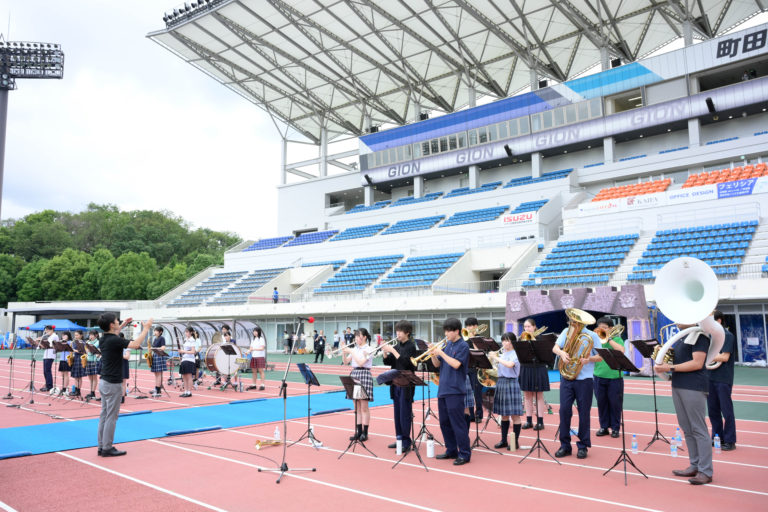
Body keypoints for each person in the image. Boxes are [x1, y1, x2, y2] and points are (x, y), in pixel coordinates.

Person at [655, 321, 714, 485]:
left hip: (693, 386)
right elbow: (683, 358)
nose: (676, 321)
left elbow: (697, 363)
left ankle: (705, 471)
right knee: (687, 428)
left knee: (698, 429)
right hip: (678, 385)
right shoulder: (683, 337)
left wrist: (669, 368)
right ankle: (695, 465)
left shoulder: (700, 336)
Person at [97, 313, 153, 457]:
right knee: (111, 417)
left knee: (104, 415)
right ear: (111, 325)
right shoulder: (114, 340)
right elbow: (135, 344)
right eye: (117, 321)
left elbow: (113, 334)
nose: (118, 322)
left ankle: (101, 446)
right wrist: (146, 329)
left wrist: (122, 325)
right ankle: (107, 448)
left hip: (104, 381)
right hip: (113, 383)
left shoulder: (103, 339)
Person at [552, 309, 602, 459]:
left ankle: (583, 446)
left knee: (584, 413)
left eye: (575, 321)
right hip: (567, 378)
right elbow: (555, 348)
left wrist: (589, 359)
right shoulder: (566, 331)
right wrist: (562, 353)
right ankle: (565, 445)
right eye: (572, 320)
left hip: (584, 380)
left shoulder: (592, 335)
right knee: (564, 411)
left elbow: (600, 357)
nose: (573, 323)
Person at [430, 317, 471, 465]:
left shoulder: (463, 346)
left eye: (448, 331)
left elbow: (456, 364)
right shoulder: (447, 345)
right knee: (444, 423)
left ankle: (464, 453)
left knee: (457, 423)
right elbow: (437, 365)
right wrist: (433, 354)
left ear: (457, 331)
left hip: (455, 390)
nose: (446, 334)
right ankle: (451, 450)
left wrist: (441, 353)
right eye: (445, 331)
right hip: (443, 389)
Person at [381, 319, 418, 453]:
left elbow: (407, 363)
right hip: (395, 382)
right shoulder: (396, 346)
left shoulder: (411, 346)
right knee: (397, 413)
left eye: (400, 331)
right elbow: (388, 362)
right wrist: (385, 352)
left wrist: (393, 350)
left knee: (405, 413)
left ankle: (406, 442)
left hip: (406, 384)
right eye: (397, 331)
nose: (398, 334)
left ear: (407, 332)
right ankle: (399, 439)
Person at [488, 332, 524, 449]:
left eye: (507, 340)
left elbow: (509, 364)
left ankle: (515, 442)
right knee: (504, 415)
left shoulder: (516, 353)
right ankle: (503, 440)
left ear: (512, 342)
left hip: (511, 383)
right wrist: (491, 359)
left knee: (515, 415)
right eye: (503, 340)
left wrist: (496, 357)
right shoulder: (503, 353)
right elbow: (495, 367)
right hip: (501, 382)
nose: (504, 343)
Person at [708, 310, 736, 451]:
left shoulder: (727, 335)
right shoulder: (709, 336)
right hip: (710, 377)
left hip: (723, 378)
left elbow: (724, 357)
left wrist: (706, 356)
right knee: (713, 411)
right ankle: (717, 437)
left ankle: (730, 440)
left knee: (726, 410)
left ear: (719, 321)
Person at [593, 316, 625, 438]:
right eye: (599, 328)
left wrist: (608, 338)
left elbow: (621, 350)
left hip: (614, 376)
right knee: (601, 403)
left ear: (611, 328)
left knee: (615, 403)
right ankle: (604, 426)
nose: (601, 330)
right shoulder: (596, 340)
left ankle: (615, 428)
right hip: (598, 375)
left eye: (604, 328)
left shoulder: (617, 339)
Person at [342, 328, 374, 441]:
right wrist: (344, 352)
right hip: (354, 374)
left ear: (364, 337)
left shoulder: (369, 349)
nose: (356, 339)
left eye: (358, 336)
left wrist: (351, 352)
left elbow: (361, 362)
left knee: (364, 406)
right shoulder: (355, 348)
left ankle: (365, 432)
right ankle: (358, 431)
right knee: (356, 406)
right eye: (355, 336)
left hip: (364, 374)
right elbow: (346, 362)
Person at [519, 317, 550, 431]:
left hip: (538, 367)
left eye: (529, 326)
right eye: (525, 327)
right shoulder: (521, 339)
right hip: (526, 367)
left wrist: (533, 340)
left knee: (538, 395)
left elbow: (545, 353)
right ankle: (529, 420)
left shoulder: (540, 338)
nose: (526, 329)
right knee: (527, 395)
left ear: (534, 327)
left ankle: (540, 422)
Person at [464, 317, 484, 423]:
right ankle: (471, 414)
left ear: (476, 326)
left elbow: (479, 351)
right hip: (466, 368)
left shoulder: (479, 338)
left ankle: (479, 414)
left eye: (471, 325)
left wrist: (473, 339)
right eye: (467, 326)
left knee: (477, 393)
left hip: (476, 369)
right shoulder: (464, 338)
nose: (469, 328)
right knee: (468, 393)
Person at [149, 326, 168, 397]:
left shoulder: (162, 338)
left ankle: (158, 389)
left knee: (159, 373)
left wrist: (155, 348)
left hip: (159, 356)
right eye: (155, 331)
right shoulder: (155, 339)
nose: (155, 332)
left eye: (156, 331)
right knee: (156, 373)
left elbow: (163, 348)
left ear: (160, 332)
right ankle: (156, 388)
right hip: (155, 356)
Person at [179, 327, 197, 397]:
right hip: (184, 359)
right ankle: (185, 391)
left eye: (187, 332)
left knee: (189, 376)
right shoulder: (185, 340)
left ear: (191, 332)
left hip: (190, 360)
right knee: (184, 376)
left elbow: (193, 351)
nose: (186, 333)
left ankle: (189, 392)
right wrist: (181, 354)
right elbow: (184, 350)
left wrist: (183, 351)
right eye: (185, 332)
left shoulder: (192, 340)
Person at [248, 326, 267, 390]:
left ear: (259, 332)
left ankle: (262, 385)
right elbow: (251, 348)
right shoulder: (253, 339)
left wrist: (254, 349)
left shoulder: (261, 339)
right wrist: (248, 352)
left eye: (256, 331)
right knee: (254, 371)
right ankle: (254, 384)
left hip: (260, 357)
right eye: (254, 331)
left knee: (261, 371)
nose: (255, 332)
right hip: (254, 357)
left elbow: (262, 348)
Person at [69, 330, 87, 397]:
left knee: (79, 377)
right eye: (75, 335)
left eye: (77, 335)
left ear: (81, 335)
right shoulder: (73, 342)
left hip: (80, 358)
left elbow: (84, 351)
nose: (75, 336)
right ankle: (76, 390)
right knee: (76, 376)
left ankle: (78, 391)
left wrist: (74, 350)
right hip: (75, 358)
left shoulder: (83, 342)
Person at [84, 330, 101, 400]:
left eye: (92, 335)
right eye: (90, 335)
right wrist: (86, 348)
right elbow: (87, 352)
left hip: (95, 361)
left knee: (94, 377)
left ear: (96, 335)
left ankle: (93, 392)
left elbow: (98, 351)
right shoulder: (88, 342)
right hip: (89, 360)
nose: (90, 336)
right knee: (90, 377)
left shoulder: (98, 342)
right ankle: (91, 392)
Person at [40, 325, 57, 392]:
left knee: (47, 370)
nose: (46, 332)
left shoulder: (55, 336)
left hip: (50, 355)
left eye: (47, 330)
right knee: (45, 371)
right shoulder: (49, 337)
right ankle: (47, 384)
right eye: (45, 330)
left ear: (52, 330)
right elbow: (46, 346)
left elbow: (53, 345)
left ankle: (49, 386)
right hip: (46, 355)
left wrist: (45, 343)